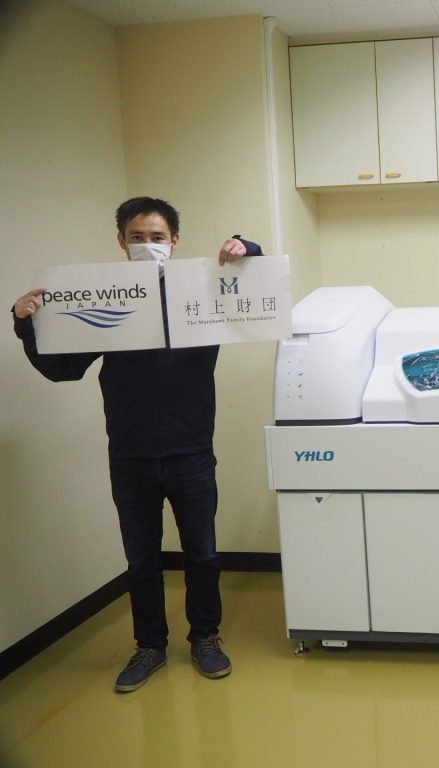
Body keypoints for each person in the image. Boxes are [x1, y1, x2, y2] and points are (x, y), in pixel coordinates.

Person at [11, 197, 262, 693]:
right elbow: (63, 369)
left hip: (191, 452)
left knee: (203, 554)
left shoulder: (201, 294)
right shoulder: (107, 300)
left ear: (175, 241)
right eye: (137, 237)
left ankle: (205, 637)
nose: (148, 245)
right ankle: (149, 646)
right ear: (121, 242)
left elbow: (258, 283)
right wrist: (24, 323)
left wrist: (246, 246)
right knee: (142, 561)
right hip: (130, 457)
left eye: (158, 237)